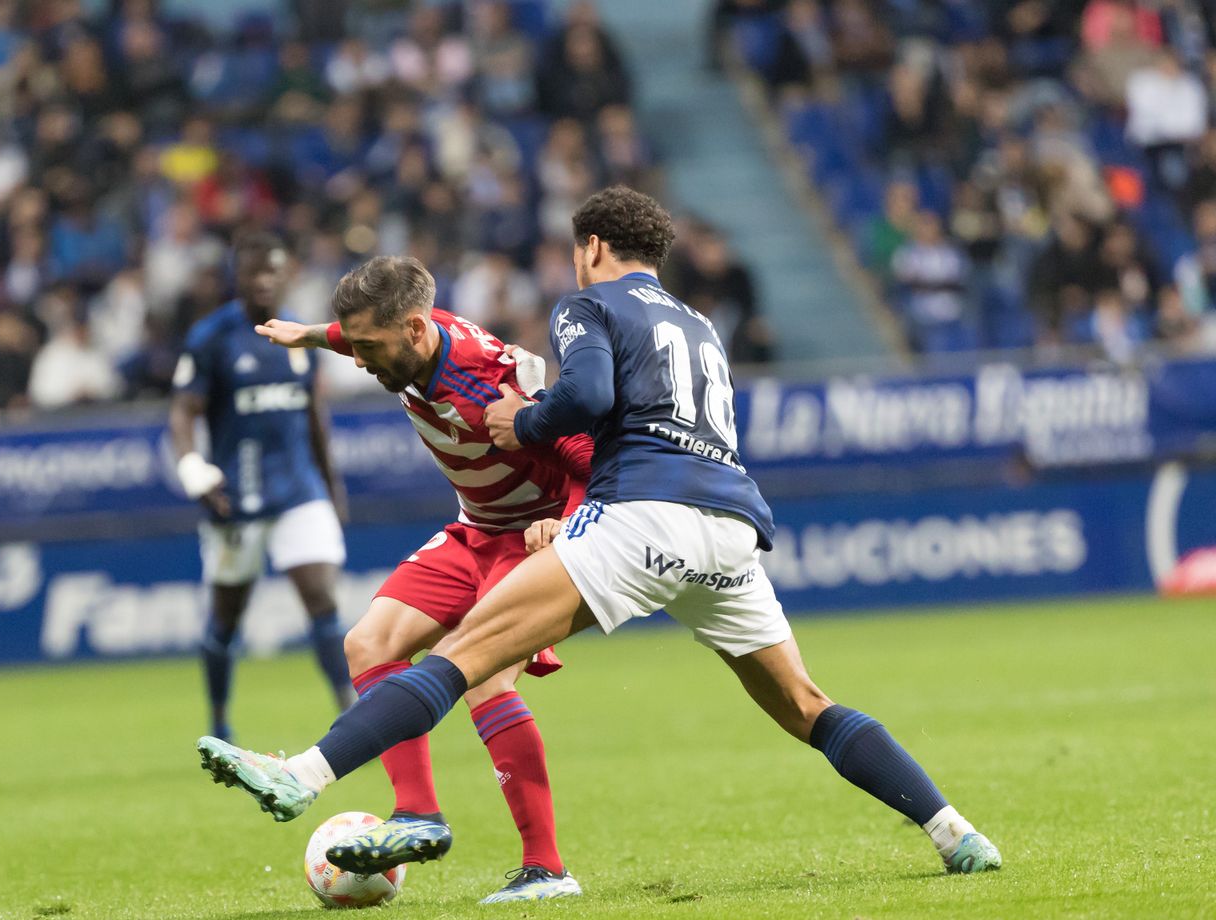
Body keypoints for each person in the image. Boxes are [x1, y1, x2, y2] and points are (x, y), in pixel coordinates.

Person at [197, 186, 1003, 879]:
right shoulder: (696, 321)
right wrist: (315, 335)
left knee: (462, 659)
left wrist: (527, 421)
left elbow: (581, 397)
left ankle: (304, 775)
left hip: (642, 514)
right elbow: (395, 338)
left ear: (591, 247)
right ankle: (954, 831)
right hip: (729, 524)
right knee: (806, 704)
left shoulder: (587, 305)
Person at [252, 257, 590, 903]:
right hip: (476, 528)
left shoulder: (488, 385)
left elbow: (587, 455)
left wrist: (567, 526)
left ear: (413, 329)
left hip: (532, 536)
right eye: (352, 344)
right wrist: (311, 334)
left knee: (482, 675)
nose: (357, 360)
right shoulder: (404, 340)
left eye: (368, 348)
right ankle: (417, 815)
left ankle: (547, 870)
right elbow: (359, 334)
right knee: (368, 644)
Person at [169, 232, 353, 742]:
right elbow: (183, 411)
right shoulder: (212, 337)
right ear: (239, 277)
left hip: (299, 488)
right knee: (227, 618)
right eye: (255, 271)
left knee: (321, 596)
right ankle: (220, 722)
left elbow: (314, 413)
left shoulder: (299, 335)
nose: (265, 279)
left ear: (287, 273)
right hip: (238, 497)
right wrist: (191, 467)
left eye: (274, 269)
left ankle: (351, 710)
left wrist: (331, 483)